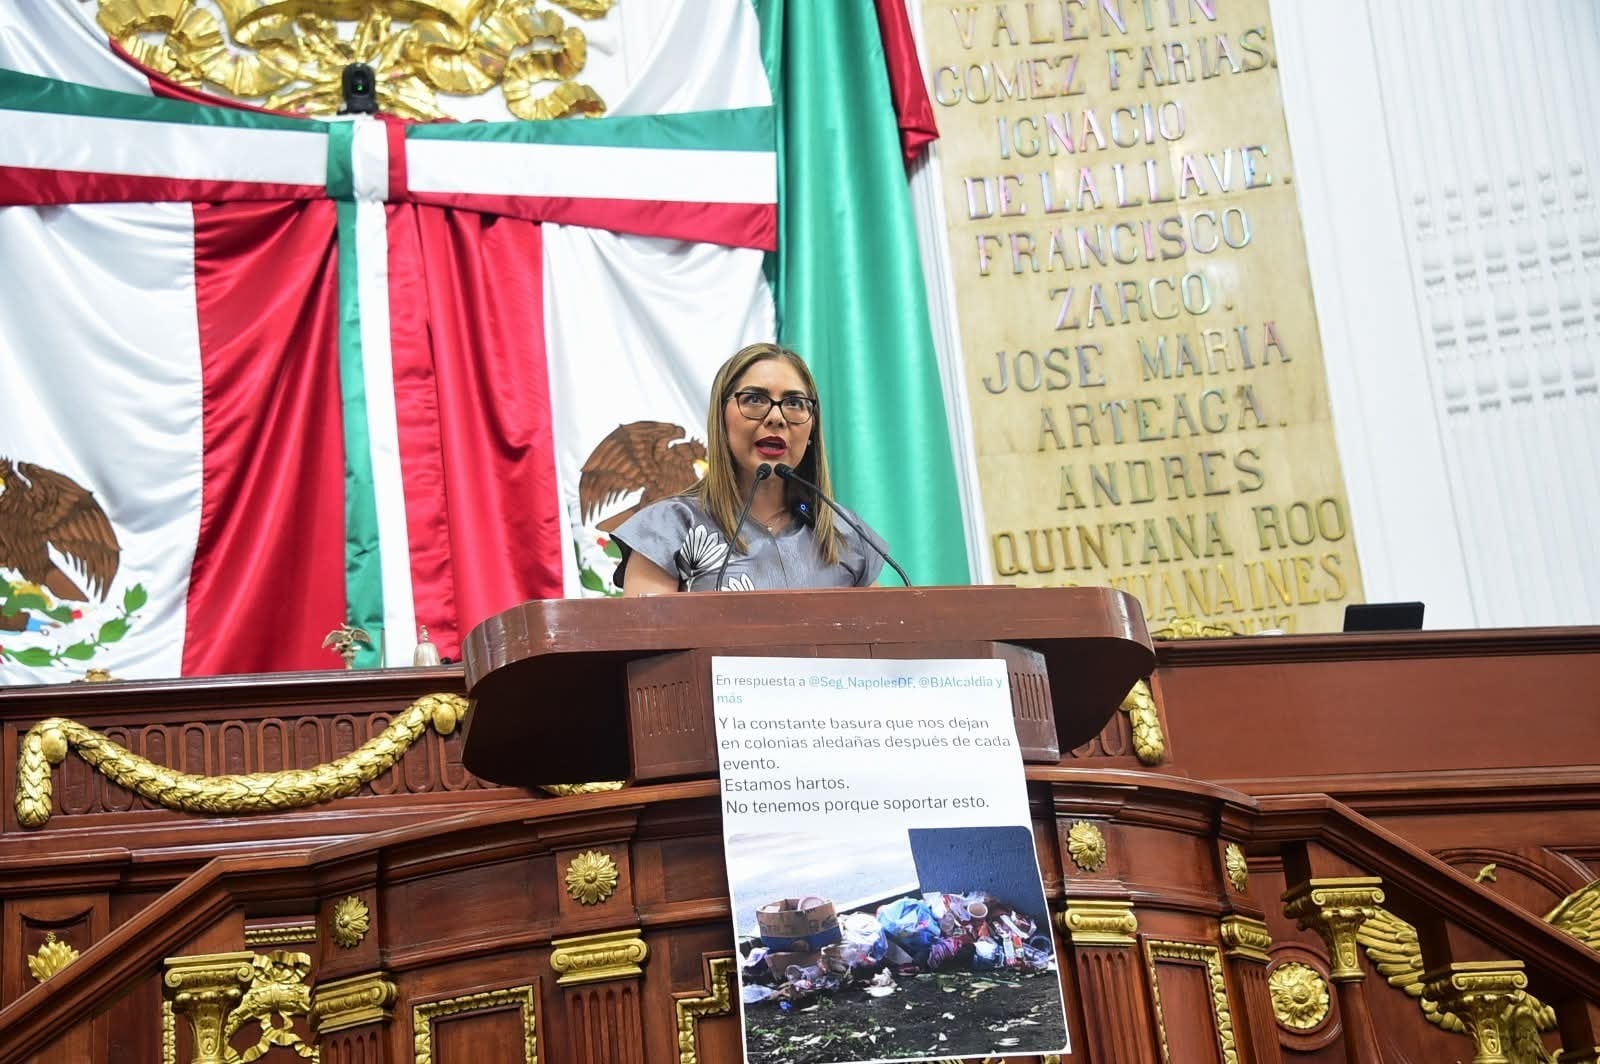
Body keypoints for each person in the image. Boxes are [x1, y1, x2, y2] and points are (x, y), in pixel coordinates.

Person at [612, 342, 888, 594]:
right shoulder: (667, 530)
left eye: (794, 403)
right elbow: (650, 645)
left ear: (812, 426)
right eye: (755, 399)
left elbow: (883, 641)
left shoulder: (846, 534)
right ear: (721, 418)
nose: (777, 417)